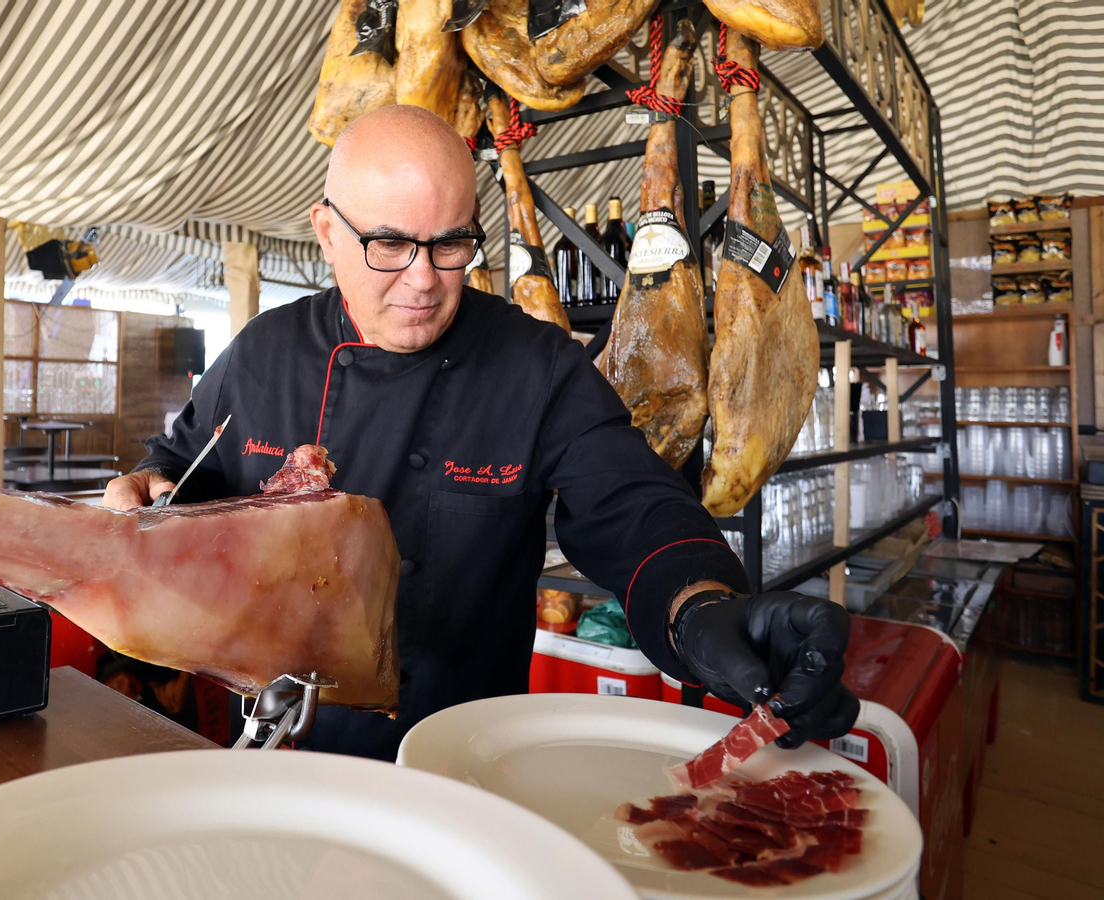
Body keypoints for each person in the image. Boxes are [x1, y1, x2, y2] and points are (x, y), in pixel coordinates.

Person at [103, 105, 858, 760]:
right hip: (273, 743)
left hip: (458, 753)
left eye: (451, 244)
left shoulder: (535, 366)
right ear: (327, 232)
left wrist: (701, 609)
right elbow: (181, 464)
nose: (426, 278)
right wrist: (150, 491)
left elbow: (633, 503)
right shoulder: (262, 353)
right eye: (390, 245)